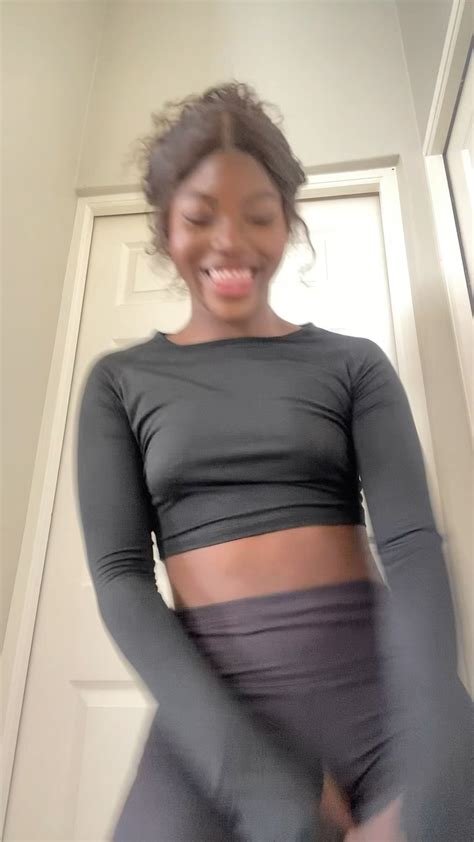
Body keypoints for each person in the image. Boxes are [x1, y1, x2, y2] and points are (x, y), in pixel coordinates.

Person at [76, 83, 472, 842]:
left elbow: (412, 545)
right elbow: (121, 580)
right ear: (165, 228)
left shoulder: (353, 364)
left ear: (287, 222)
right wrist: (255, 779)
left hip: (380, 695)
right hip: (215, 717)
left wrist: (436, 742)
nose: (230, 242)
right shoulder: (119, 384)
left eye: (258, 216)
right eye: (201, 217)